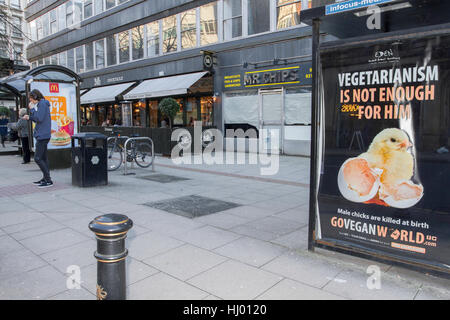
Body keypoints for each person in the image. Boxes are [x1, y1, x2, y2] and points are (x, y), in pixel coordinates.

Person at [23, 89, 53, 188]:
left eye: (31, 99)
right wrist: (30, 115)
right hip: (43, 134)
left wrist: (31, 110)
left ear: (35, 97)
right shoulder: (42, 104)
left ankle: (48, 180)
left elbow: (39, 118)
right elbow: (39, 118)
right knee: (43, 158)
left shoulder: (42, 104)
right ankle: (46, 178)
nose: (30, 101)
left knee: (37, 158)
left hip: (42, 135)